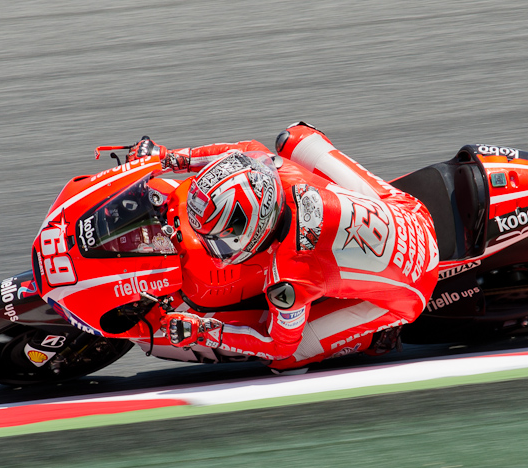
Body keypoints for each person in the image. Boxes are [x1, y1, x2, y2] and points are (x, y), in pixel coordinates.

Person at [127, 122, 440, 371]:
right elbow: (237, 151)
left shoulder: (289, 279)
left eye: (221, 239)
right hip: (408, 210)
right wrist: (169, 159)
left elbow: (278, 344)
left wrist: (203, 330)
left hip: (412, 288)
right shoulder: (273, 168)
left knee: (285, 361)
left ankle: (375, 335)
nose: (214, 247)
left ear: (257, 225)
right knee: (294, 137)